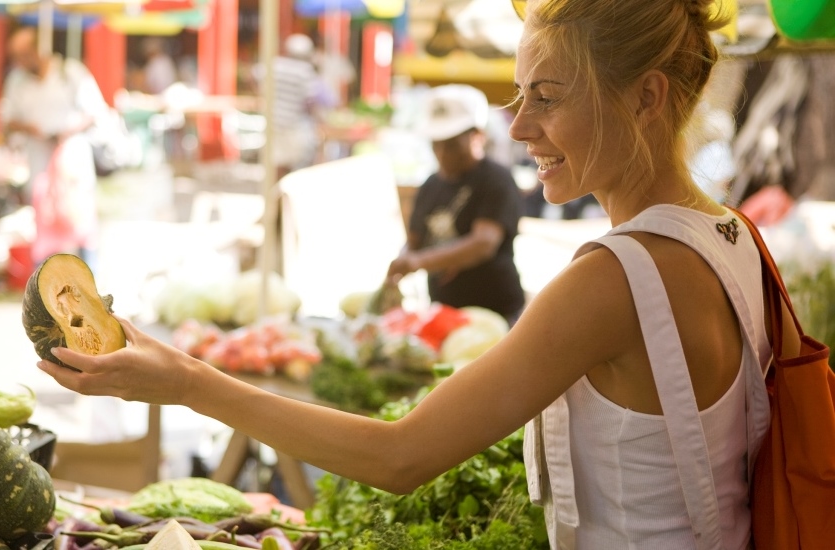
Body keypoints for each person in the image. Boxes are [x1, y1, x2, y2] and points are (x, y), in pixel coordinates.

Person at [39, 0, 795, 547]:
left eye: (547, 96)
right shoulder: (729, 235)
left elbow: (398, 458)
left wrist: (186, 382)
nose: (519, 126)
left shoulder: (613, 278)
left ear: (646, 96)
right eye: (516, 95)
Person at [386, 84, 526, 327]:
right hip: (443, 311)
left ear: (477, 136)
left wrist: (419, 261)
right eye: (436, 144)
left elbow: (484, 243)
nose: (442, 153)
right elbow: (415, 239)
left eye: (451, 144)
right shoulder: (430, 185)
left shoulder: (495, 180)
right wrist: (402, 261)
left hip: (494, 312)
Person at [0, 27, 106, 268]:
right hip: (40, 168)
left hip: (73, 165)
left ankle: (90, 284)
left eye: (25, 53)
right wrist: (30, 128)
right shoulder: (16, 81)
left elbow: (96, 112)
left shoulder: (71, 73)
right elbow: (7, 120)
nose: (23, 61)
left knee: (82, 229)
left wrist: (66, 131)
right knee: (44, 233)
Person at [270, 33, 324, 177]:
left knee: (277, 163)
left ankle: (275, 194)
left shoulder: (275, 64)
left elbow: (254, 75)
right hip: (294, 123)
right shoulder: (305, 71)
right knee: (296, 163)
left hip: (273, 120)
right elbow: (311, 101)